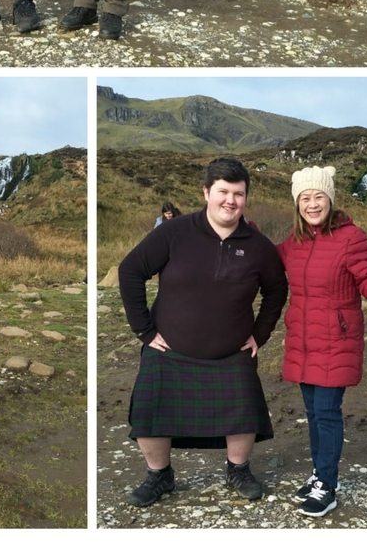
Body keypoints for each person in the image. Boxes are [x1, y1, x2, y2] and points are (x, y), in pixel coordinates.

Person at [118, 157, 288, 507]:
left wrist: (260, 334)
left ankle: (238, 470)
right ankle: (159, 476)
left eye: (238, 194)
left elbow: (277, 290)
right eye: (223, 192)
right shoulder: (174, 232)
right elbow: (130, 270)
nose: (230, 200)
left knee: (243, 412)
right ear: (206, 192)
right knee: (151, 413)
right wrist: (144, 330)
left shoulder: (258, 246)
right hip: (168, 350)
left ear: (246, 198)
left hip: (232, 352)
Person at [277, 166, 367, 519]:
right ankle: (320, 474)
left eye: (319, 196)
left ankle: (327, 486)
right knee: (313, 413)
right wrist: (242, 232)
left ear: (330, 199)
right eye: (305, 198)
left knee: (327, 413)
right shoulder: (295, 241)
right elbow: (266, 255)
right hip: (304, 342)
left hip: (336, 342)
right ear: (297, 203)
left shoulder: (351, 237)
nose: (312, 204)